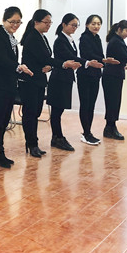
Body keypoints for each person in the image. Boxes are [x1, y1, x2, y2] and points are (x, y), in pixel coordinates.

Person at [18, 9, 80, 158]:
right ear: (36, 22)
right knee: (30, 114)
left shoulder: (42, 37)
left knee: (36, 113)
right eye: (46, 22)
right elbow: (44, 58)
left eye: (50, 22)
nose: (49, 25)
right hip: (29, 81)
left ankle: (34, 143)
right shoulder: (32, 37)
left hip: (39, 80)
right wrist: (63, 64)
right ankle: (32, 144)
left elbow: (46, 60)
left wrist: (50, 67)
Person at [0, 6, 33, 168]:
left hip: (9, 85)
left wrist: (18, 69)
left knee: (4, 120)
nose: (15, 25)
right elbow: (2, 61)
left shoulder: (10, 38)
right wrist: (18, 67)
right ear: (4, 20)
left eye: (18, 22)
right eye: (12, 22)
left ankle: (0, 153)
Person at [47, 13, 102, 151]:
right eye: (72, 25)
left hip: (66, 78)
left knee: (59, 110)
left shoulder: (69, 39)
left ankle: (58, 137)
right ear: (64, 24)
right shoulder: (60, 40)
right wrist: (88, 62)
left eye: (76, 25)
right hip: (58, 78)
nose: (74, 28)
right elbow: (70, 57)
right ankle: (57, 137)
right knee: (56, 111)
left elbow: (73, 57)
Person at [77, 15, 119, 145]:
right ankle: (86, 133)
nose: (96, 26)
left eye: (99, 24)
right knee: (85, 104)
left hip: (95, 74)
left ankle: (88, 132)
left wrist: (106, 61)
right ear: (87, 25)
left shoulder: (97, 38)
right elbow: (88, 55)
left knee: (91, 105)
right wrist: (104, 60)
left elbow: (100, 55)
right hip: (85, 74)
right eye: (93, 23)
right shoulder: (84, 38)